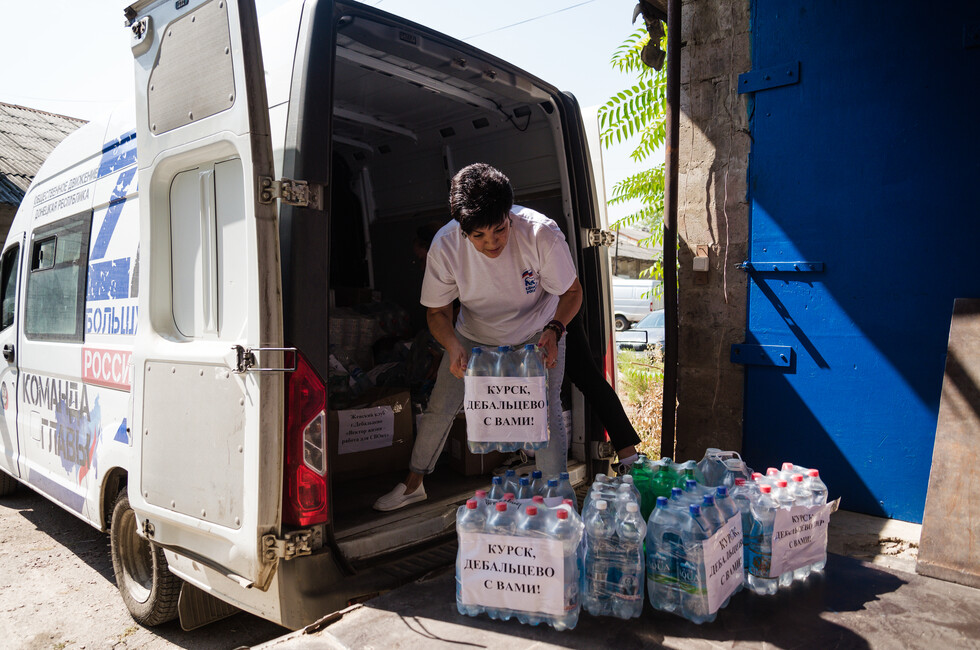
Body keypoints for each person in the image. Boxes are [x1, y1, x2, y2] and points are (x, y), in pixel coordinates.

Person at [374, 163, 582, 511]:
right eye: (479, 237)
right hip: (472, 335)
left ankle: (558, 504)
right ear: (461, 229)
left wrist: (555, 329)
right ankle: (414, 484)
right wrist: (452, 345)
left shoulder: (540, 233)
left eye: (499, 231)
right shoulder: (445, 245)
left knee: (544, 417)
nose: (491, 244)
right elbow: (437, 313)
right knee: (440, 405)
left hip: (537, 332)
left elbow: (572, 292)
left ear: (509, 216)